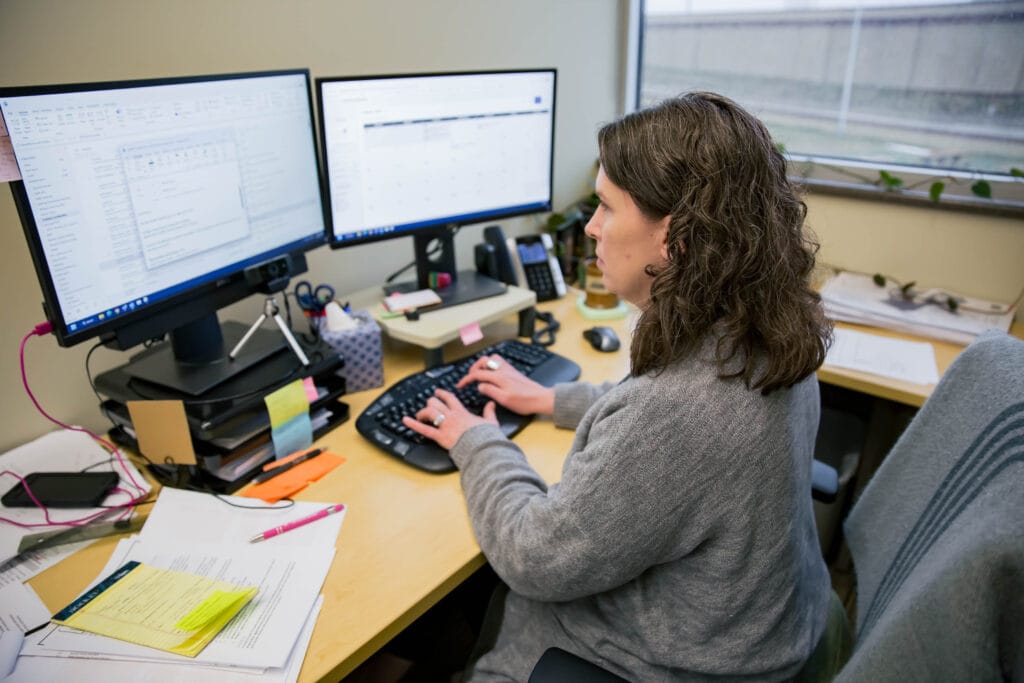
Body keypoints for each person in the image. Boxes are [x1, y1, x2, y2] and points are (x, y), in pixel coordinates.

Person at [402, 92, 834, 682]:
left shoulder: (677, 412)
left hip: (665, 662)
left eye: (606, 207)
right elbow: (684, 440)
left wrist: (477, 440)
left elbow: (535, 556)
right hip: (763, 623)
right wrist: (553, 399)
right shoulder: (767, 325)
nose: (591, 227)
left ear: (675, 235)